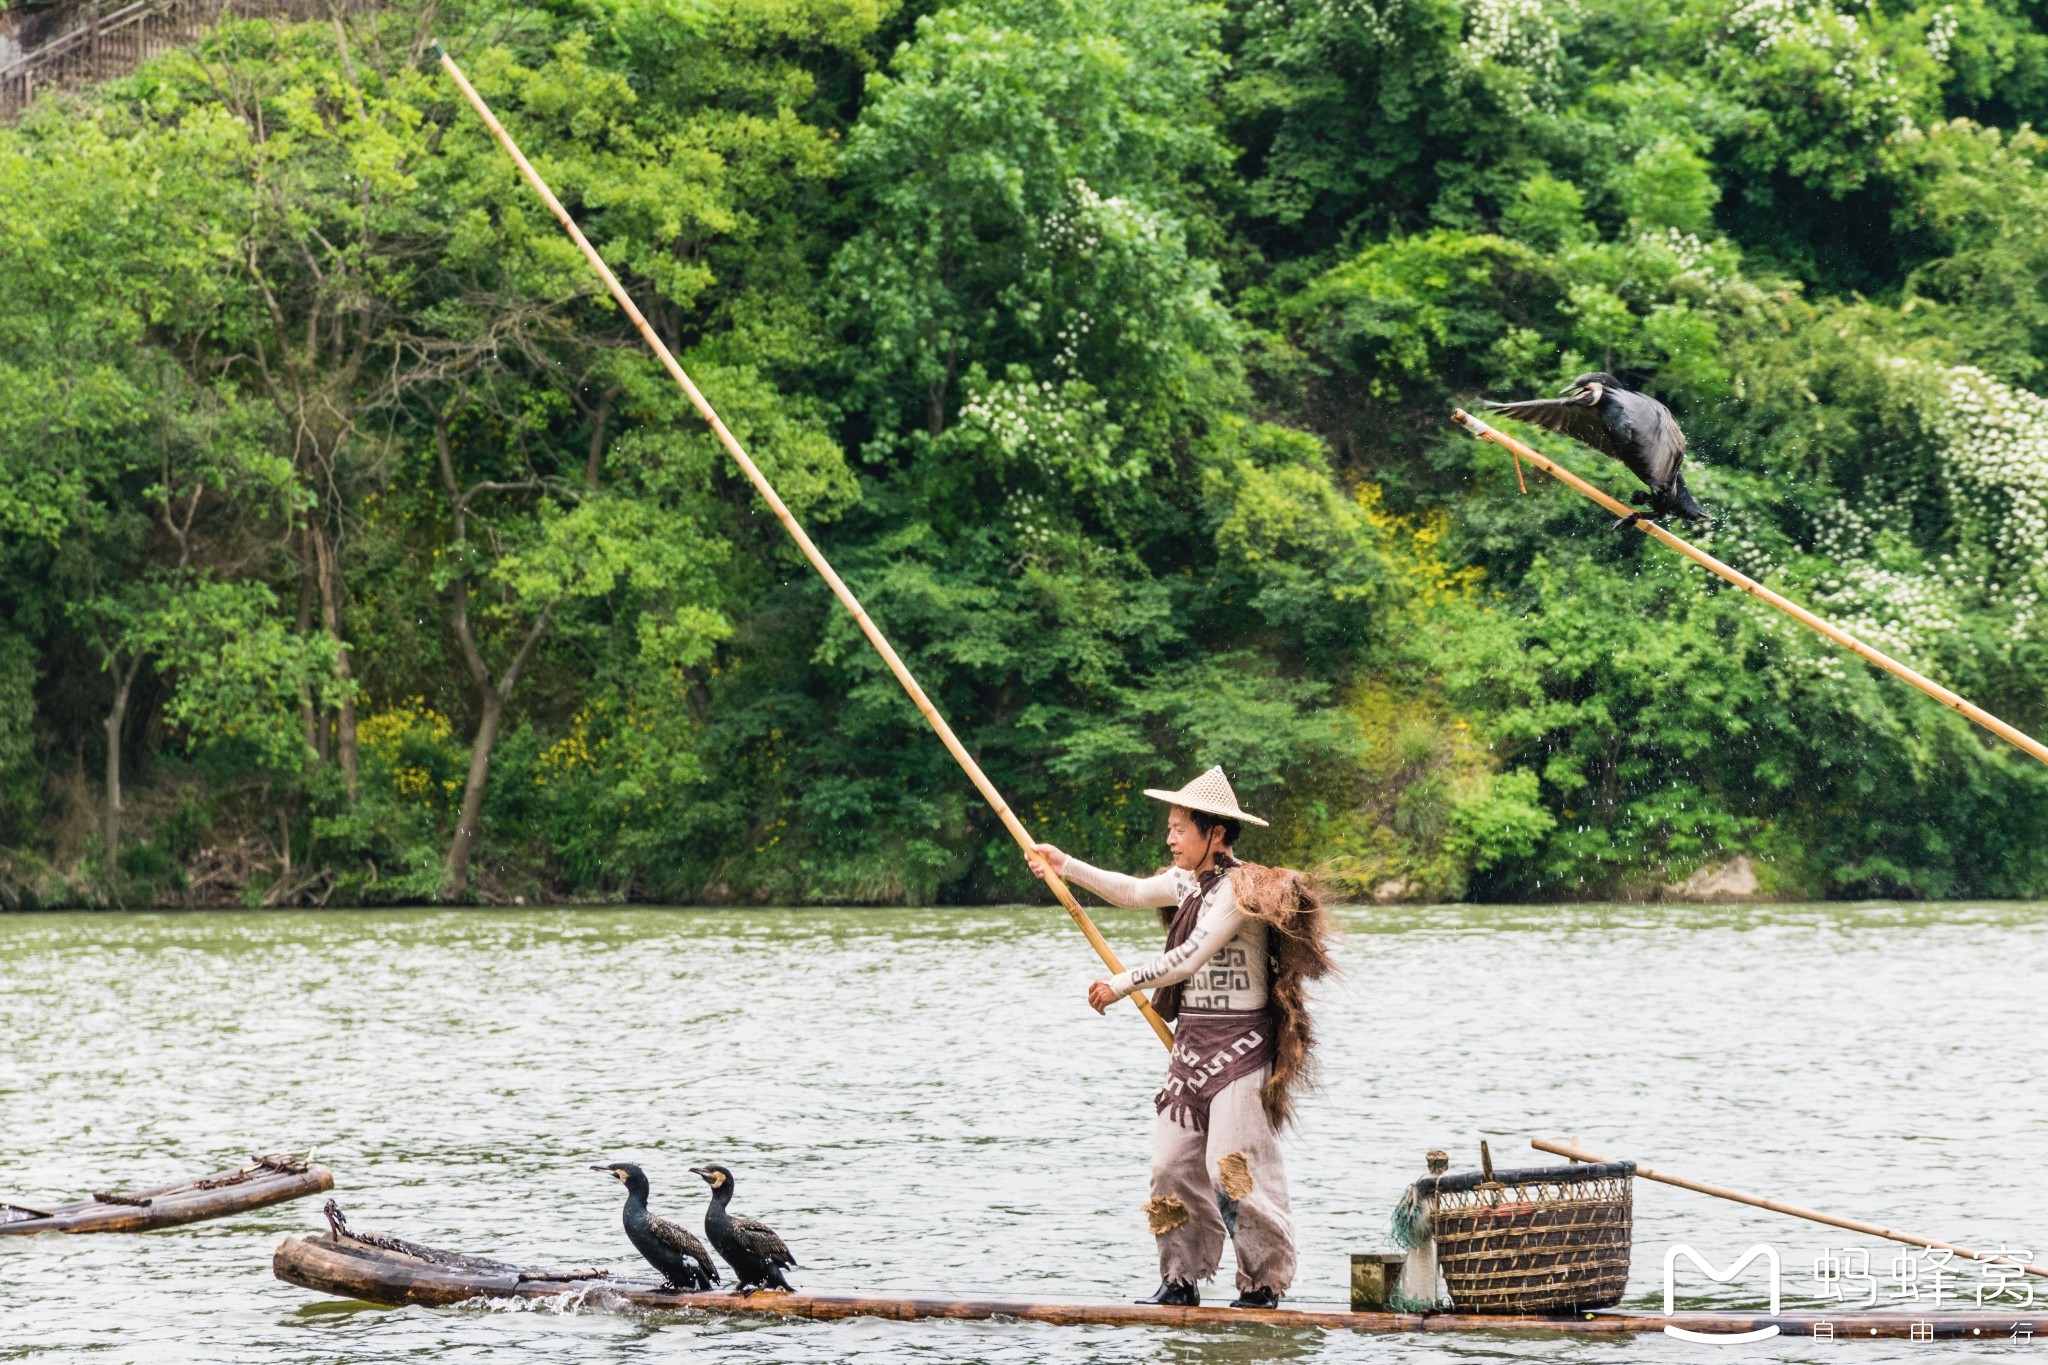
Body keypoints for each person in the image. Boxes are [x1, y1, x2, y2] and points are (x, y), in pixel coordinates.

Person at [1031, 766, 1333, 1310]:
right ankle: (1179, 1278)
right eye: (1169, 827)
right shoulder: (1184, 881)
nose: (1170, 837)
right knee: (1169, 1167)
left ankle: (1262, 1283)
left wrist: (1121, 984)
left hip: (1243, 1049)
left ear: (1214, 834)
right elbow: (1129, 891)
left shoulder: (1240, 891)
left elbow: (1190, 954)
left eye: (1179, 828)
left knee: (1231, 1169)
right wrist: (1065, 865)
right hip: (1192, 1048)